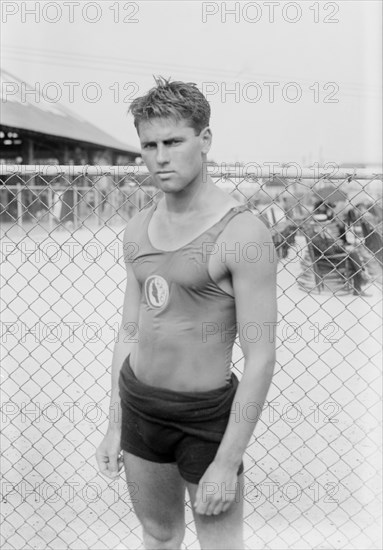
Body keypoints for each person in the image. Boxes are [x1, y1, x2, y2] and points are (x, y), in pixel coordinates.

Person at [96, 77, 277, 550]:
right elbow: (130, 331)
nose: (160, 156)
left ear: (205, 140)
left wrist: (226, 459)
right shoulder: (137, 229)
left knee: (220, 546)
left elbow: (260, 358)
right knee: (159, 534)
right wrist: (115, 424)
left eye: (173, 142)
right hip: (141, 409)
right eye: (149, 145)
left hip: (205, 420)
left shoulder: (242, 234)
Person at [310, 219, 371, 296]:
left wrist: (344, 248)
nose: (325, 227)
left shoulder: (318, 235)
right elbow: (329, 251)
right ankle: (361, 276)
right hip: (327, 261)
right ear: (317, 226)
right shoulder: (316, 238)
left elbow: (332, 248)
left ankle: (361, 274)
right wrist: (329, 238)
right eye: (323, 225)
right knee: (353, 261)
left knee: (353, 254)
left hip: (330, 258)